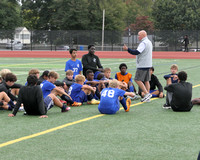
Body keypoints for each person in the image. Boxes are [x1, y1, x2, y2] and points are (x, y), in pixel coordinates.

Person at [123, 30, 153, 102]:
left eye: (139, 35)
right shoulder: (149, 42)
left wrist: (127, 49)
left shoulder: (143, 43)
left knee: (137, 79)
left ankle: (146, 94)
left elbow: (137, 52)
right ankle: (147, 96)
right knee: (146, 81)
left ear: (143, 35)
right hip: (148, 64)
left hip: (142, 64)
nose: (138, 36)